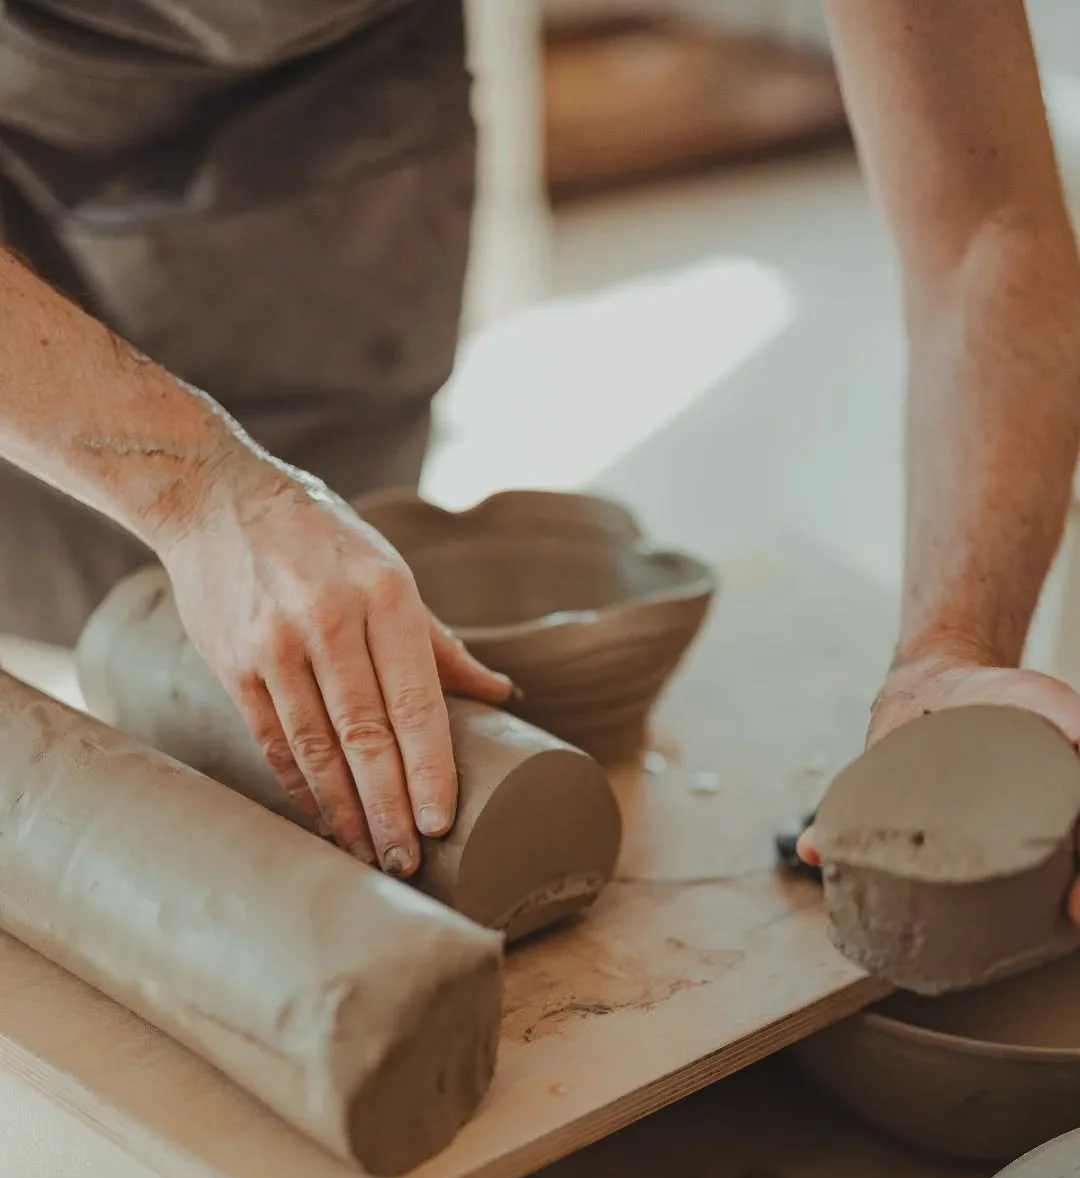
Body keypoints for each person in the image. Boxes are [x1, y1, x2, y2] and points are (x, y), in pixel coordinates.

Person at [0, 2, 1078, 890]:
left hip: (327, 112)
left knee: (315, 666)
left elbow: (991, 235)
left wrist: (952, 644)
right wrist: (198, 488)